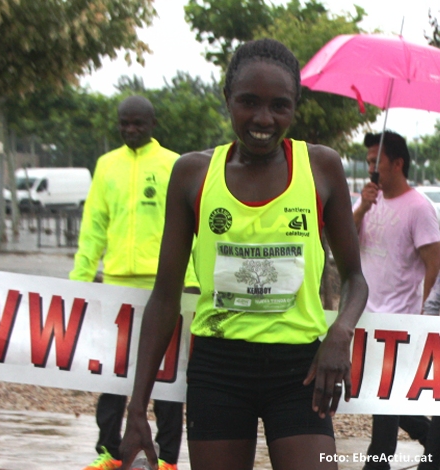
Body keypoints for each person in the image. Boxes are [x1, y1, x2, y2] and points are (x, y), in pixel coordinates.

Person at [117, 38, 368, 470]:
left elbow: (355, 278)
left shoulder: (321, 168)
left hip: (300, 370)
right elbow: (164, 296)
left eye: (279, 106)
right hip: (219, 369)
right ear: (227, 98)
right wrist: (137, 408)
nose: (263, 119)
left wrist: (340, 332)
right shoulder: (193, 175)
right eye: (248, 102)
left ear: (295, 106)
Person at [70, 96, 196, 470]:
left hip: (166, 289)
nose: (130, 130)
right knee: (113, 377)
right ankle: (108, 455)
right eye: (124, 123)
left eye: (138, 124)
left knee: (168, 380)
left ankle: (168, 460)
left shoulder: (174, 164)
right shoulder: (106, 166)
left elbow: (192, 229)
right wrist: (78, 281)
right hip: (114, 289)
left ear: (153, 124)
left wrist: (192, 283)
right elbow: (92, 228)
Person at [353, 131, 440, 470]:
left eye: (377, 161)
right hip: (367, 315)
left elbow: (435, 262)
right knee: (381, 396)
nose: (371, 168)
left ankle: (377, 462)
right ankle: (426, 437)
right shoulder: (369, 201)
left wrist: (423, 314)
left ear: (398, 163)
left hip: (401, 319)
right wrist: (362, 206)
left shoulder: (419, 208)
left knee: (384, 395)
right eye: (368, 161)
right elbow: (345, 239)